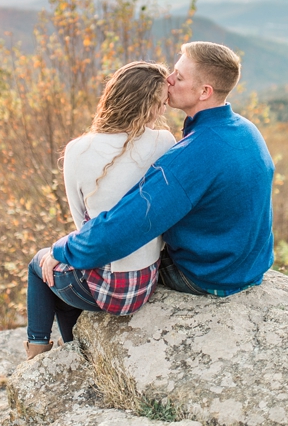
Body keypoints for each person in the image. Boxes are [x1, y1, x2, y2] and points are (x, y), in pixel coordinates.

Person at [48, 41, 274, 308]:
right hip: (248, 267)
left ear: (204, 91)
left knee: (66, 271)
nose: (168, 79)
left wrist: (63, 250)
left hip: (208, 276)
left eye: (178, 77)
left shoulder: (195, 153)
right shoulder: (246, 129)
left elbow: (128, 224)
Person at [26, 61, 176, 359]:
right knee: (60, 268)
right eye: (159, 104)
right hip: (145, 282)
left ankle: (38, 352)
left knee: (40, 265)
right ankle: (74, 348)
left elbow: (83, 226)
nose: (162, 112)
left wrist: (57, 254)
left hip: (108, 289)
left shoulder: (78, 149)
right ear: (144, 106)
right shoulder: (164, 141)